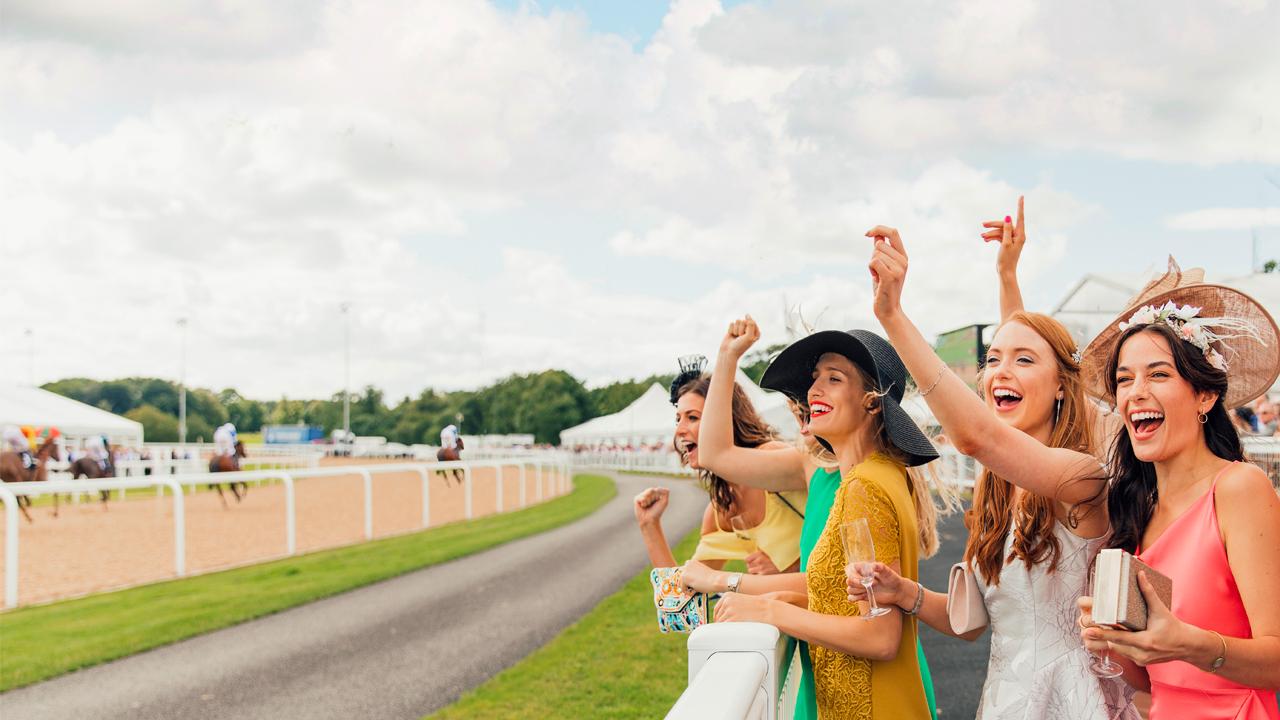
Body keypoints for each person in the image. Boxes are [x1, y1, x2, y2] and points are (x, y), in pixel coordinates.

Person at [867, 226, 1280, 718]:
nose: (1135, 391)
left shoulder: (1098, 480)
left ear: (1206, 394)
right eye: (1124, 379)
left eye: (1159, 374)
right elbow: (1009, 436)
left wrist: (892, 316)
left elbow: (986, 437)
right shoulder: (1137, 505)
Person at [850, 205, 1135, 719]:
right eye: (992, 360)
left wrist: (891, 315)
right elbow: (976, 623)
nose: (1000, 371)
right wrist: (902, 591)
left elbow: (978, 436)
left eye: (1024, 360)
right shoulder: (997, 489)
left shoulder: (1085, 477)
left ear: (1063, 390)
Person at [690, 316, 951, 720]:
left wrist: (770, 611)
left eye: (834, 378)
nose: (813, 389)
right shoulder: (878, 474)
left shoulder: (864, 487)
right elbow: (847, 598)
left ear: (871, 401)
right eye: (815, 378)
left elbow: (881, 636)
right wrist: (790, 596)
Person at [634, 354, 805, 575]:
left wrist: (797, 565)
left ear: (725, 420)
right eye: (678, 419)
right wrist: (649, 525)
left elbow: (845, 520)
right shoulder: (722, 505)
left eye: (693, 418)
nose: (679, 430)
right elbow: (683, 595)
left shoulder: (774, 457)